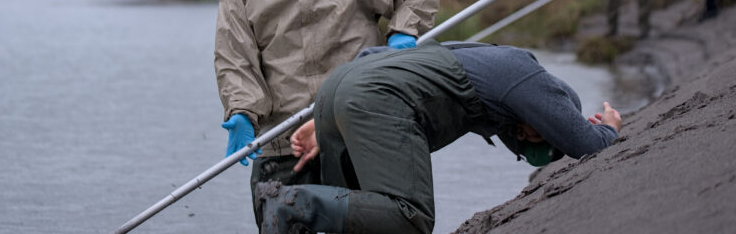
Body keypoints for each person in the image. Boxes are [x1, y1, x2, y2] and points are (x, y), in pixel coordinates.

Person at [214, 0, 440, 226]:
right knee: (280, 219)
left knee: (378, 225)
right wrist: (242, 110)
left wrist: (403, 33)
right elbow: (234, 57)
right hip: (283, 142)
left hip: (358, 129)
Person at [256, 41, 623, 234]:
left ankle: (290, 206)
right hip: (370, 96)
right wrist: (609, 127)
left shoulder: (478, 58)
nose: (527, 135)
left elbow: (375, 55)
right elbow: (589, 145)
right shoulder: (530, 78)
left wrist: (329, 117)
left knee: (363, 219)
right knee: (409, 218)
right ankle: (291, 200)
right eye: (542, 134)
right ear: (553, 111)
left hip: (344, 84)